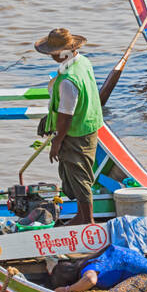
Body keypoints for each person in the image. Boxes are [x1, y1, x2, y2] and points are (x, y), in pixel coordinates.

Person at [35, 28, 103, 225]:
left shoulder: (68, 81)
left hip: (76, 131)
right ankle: (82, 215)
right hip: (88, 124)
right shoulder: (82, 61)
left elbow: (65, 116)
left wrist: (57, 142)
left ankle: (87, 220)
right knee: (76, 173)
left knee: (79, 176)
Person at [53, 244, 147, 292]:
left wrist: (68, 289)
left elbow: (91, 280)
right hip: (142, 271)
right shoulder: (91, 260)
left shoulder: (88, 269)